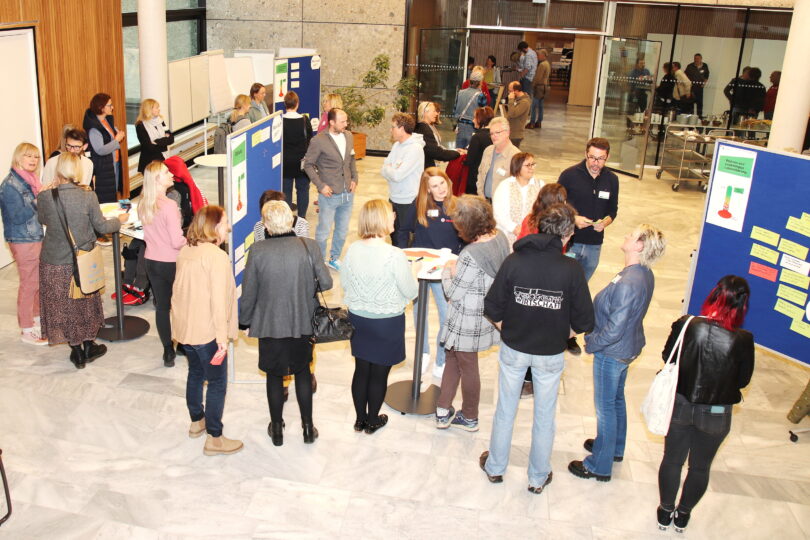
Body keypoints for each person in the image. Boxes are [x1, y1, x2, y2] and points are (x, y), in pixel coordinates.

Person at [480, 203, 594, 493]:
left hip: (514, 348)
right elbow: (585, 320)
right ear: (566, 234)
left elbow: (492, 306)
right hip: (550, 353)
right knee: (545, 415)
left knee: (505, 409)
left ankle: (495, 468)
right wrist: (562, 334)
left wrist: (508, 329)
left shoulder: (514, 261)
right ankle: (538, 477)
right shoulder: (571, 269)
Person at [568, 224, 666, 482]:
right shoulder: (642, 273)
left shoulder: (630, 282)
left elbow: (614, 329)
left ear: (639, 246)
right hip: (627, 347)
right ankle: (614, 447)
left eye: (631, 235)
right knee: (616, 400)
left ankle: (599, 465)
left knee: (605, 408)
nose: (626, 235)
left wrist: (592, 343)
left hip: (612, 352)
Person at [656, 276, 754, 533]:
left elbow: (668, 357)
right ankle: (683, 515)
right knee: (700, 467)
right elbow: (743, 380)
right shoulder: (744, 339)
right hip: (717, 414)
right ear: (743, 305)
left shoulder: (687, 324)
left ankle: (665, 511)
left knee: (672, 460)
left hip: (681, 404)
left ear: (713, 295)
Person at [239, 201, 332, 446]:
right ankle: (308, 428)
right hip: (303, 321)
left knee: (274, 375)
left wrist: (244, 321)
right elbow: (327, 283)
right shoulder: (309, 246)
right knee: (303, 372)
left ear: (266, 225)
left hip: (270, 324)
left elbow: (249, 292)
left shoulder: (257, 250)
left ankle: (277, 429)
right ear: (291, 220)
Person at [37, 153, 127, 368]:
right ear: (76, 170)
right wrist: (119, 220)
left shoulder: (46, 196)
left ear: (59, 169)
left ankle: (76, 351)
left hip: (54, 261)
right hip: (83, 260)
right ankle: (88, 345)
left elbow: (43, 219)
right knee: (85, 304)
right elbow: (102, 227)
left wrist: (45, 192)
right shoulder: (88, 196)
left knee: (63, 306)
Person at [340, 200, 418, 434]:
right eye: (391, 214)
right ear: (382, 219)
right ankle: (373, 420)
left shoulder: (353, 249)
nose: (394, 216)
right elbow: (410, 291)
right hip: (387, 323)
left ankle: (360, 419)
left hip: (358, 319)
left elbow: (345, 283)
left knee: (361, 370)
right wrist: (414, 273)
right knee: (379, 374)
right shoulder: (394, 255)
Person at [172, 205, 242, 456]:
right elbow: (218, 301)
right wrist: (222, 338)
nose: (228, 227)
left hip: (187, 330)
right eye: (225, 223)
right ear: (213, 226)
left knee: (195, 373)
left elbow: (177, 292)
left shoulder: (186, 251)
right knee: (217, 382)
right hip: (207, 332)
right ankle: (215, 438)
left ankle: (196, 421)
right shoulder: (216, 257)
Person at [435, 195, 509, 431]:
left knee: (467, 365)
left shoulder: (470, 254)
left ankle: (469, 417)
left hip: (467, 319)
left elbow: (453, 293)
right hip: (486, 314)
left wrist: (448, 271)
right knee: (452, 356)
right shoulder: (501, 238)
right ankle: (442, 409)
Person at [406, 168, 463, 379]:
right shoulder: (418, 205)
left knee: (446, 316)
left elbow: (466, 238)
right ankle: (422, 353)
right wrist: (404, 258)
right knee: (419, 314)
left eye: (442, 183)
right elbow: (403, 230)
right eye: (434, 186)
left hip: (445, 272)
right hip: (420, 270)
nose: (440, 189)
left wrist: (457, 260)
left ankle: (441, 359)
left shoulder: (458, 206)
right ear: (427, 189)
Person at [140, 161, 187, 368]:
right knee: (180, 304)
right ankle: (183, 344)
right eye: (167, 172)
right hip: (172, 262)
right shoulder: (169, 205)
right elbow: (176, 241)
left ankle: (168, 350)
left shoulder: (143, 203)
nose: (171, 174)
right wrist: (190, 241)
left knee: (162, 306)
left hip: (151, 261)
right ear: (158, 179)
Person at [0, 143, 46, 345]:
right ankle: (26, 329)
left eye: (36, 157)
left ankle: (37, 319)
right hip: (22, 239)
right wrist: (37, 200)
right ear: (18, 157)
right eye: (28, 156)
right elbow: (17, 217)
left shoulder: (31, 180)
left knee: (37, 281)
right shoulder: (11, 185)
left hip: (34, 236)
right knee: (29, 284)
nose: (33, 160)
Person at [558, 137, 618, 283]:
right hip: (571, 241)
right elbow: (555, 205)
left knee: (582, 286)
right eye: (592, 157)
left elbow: (612, 210)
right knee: (563, 283)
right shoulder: (569, 175)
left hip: (594, 245)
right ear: (586, 154)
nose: (595, 163)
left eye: (601, 159)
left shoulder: (612, 179)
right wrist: (573, 218)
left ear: (607, 157)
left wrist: (605, 222)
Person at [303, 108, 358, 271]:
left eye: (346, 121)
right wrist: (320, 186)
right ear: (332, 122)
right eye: (342, 121)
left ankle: (334, 258)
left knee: (342, 231)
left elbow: (351, 159)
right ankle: (319, 262)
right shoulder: (318, 140)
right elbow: (307, 165)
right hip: (329, 195)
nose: (346, 124)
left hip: (348, 194)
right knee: (323, 232)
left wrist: (355, 178)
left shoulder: (349, 136)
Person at [381, 112, 425, 248]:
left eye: (393, 127)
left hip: (408, 200)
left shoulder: (415, 149)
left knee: (403, 238)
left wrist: (390, 169)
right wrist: (390, 169)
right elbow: (383, 169)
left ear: (402, 128)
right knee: (393, 233)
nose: (391, 130)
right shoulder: (397, 145)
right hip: (394, 198)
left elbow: (397, 175)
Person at [83, 92, 125, 204]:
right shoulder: (94, 127)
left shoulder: (106, 120)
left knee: (113, 193)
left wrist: (116, 135)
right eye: (110, 105)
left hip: (113, 163)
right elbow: (100, 150)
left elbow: (110, 137)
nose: (112, 107)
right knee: (106, 198)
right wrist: (117, 140)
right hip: (103, 168)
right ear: (101, 108)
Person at [493, 152, 543, 245]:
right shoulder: (505, 186)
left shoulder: (540, 185)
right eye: (528, 165)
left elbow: (543, 209)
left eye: (533, 164)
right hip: (507, 233)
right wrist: (514, 228)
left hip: (531, 235)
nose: (531, 168)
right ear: (517, 167)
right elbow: (499, 212)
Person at [282, 91, 314, 218]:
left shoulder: (279, 121)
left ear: (285, 104)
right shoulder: (305, 120)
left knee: (286, 191)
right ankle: (302, 218)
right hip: (302, 162)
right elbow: (310, 140)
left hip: (285, 162)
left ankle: (287, 219)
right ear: (297, 104)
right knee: (303, 190)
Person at [476, 117, 519, 200]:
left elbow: (517, 186)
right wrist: (480, 194)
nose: (493, 136)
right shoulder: (488, 150)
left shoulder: (516, 156)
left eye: (497, 132)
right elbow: (480, 173)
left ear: (507, 133)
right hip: (484, 201)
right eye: (491, 133)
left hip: (503, 204)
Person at [414, 101, 462, 168]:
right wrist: (457, 153)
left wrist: (453, 151)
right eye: (434, 111)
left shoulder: (428, 126)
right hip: (427, 167)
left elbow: (437, 147)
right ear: (425, 112)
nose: (436, 114)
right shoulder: (423, 128)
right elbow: (436, 152)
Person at [135, 99, 174, 173]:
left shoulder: (160, 121)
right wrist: (165, 140)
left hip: (163, 158)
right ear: (149, 109)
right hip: (150, 162)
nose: (159, 109)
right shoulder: (140, 125)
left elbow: (171, 139)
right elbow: (149, 147)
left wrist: (157, 141)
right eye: (156, 108)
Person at [465, 106, 495, 196]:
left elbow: (469, 160)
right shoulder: (495, 135)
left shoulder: (477, 137)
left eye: (475, 118)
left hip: (476, 179)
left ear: (480, 119)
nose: (473, 120)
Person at [454, 71, 488, 149]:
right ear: (480, 82)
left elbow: (455, 110)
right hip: (473, 127)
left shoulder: (460, 93)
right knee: (471, 151)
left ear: (469, 81)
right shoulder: (480, 95)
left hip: (460, 127)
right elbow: (484, 115)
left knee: (459, 152)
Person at [503, 81, 531, 148]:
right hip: (510, 132)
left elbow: (513, 114)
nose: (509, 93)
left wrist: (511, 100)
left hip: (515, 135)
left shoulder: (524, 102)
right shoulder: (517, 99)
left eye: (510, 91)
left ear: (516, 91)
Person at [529, 48, 551, 129]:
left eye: (538, 55)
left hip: (539, 87)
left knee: (534, 106)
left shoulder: (542, 65)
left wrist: (533, 85)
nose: (537, 57)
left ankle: (532, 123)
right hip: (545, 86)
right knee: (541, 106)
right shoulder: (547, 64)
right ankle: (539, 122)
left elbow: (538, 77)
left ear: (543, 55)